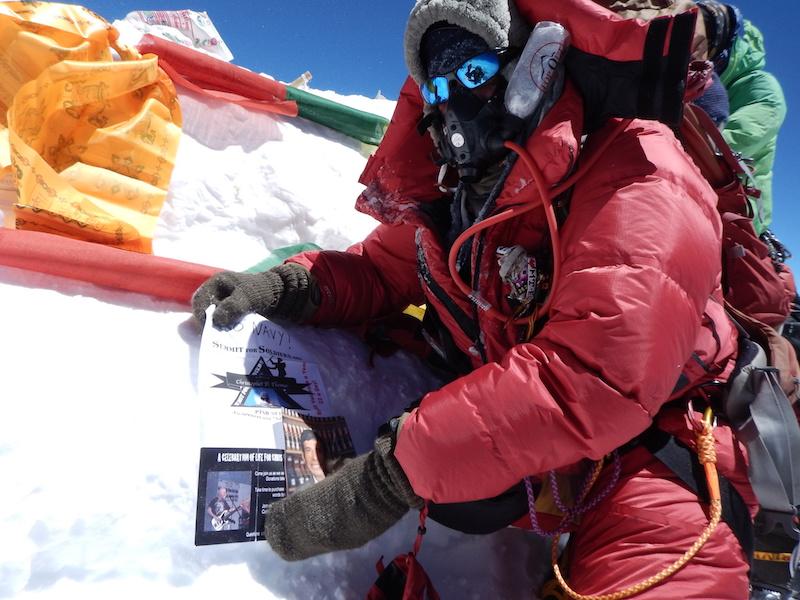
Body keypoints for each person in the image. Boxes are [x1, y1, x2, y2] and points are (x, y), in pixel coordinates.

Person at [192, 0, 759, 596]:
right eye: (437, 85)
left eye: (472, 73)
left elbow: (593, 374)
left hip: (659, 454)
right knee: (469, 488)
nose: (455, 103)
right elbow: (382, 271)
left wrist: (388, 479)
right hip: (543, 447)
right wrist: (288, 286)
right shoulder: (463, 191)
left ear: (535, 64)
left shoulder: (640, 168)